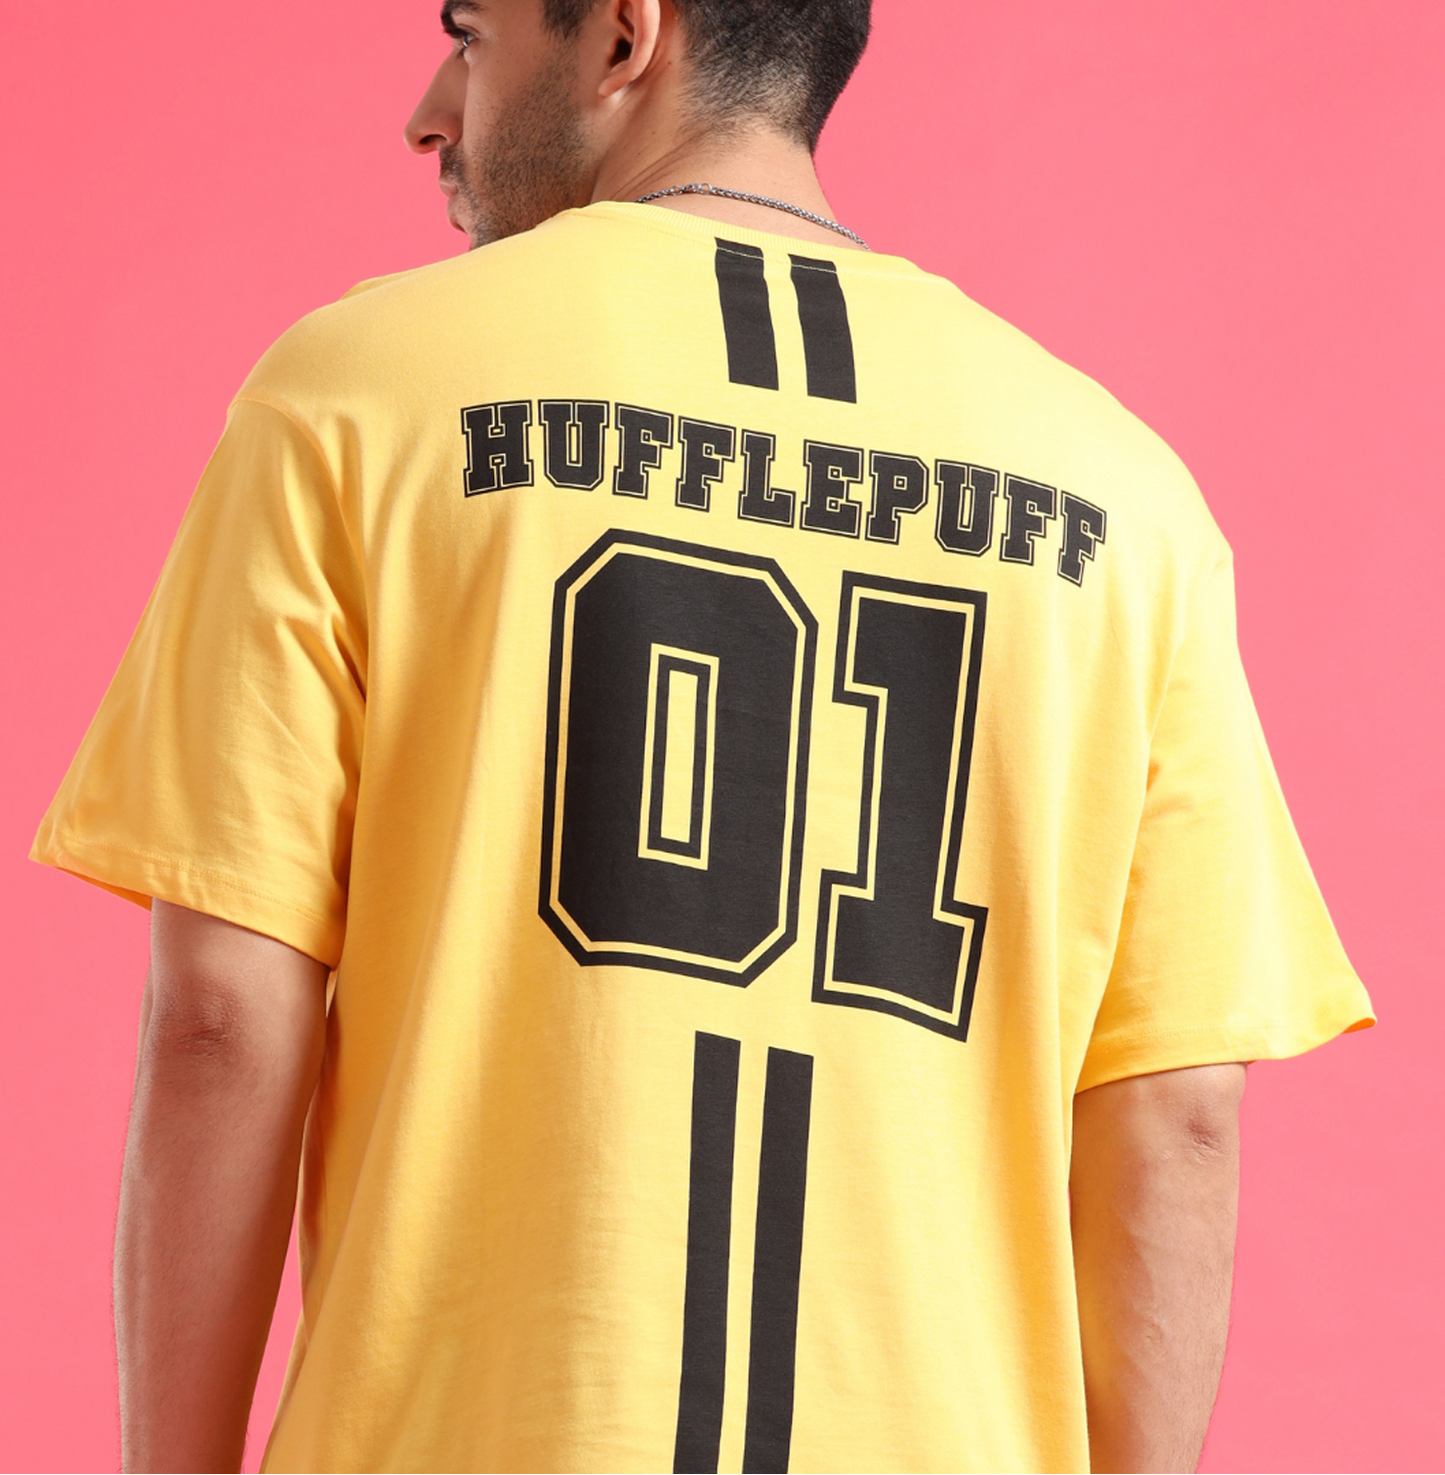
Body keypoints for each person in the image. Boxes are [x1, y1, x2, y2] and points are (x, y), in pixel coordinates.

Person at [32, 2, 1374, 1473]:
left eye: (471, 34)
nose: (429, 111)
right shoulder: (1129, 508)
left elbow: (222, 1021)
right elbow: (1177, 1118)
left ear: (623, 36)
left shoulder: (350, 399)